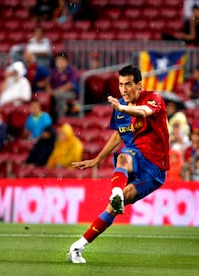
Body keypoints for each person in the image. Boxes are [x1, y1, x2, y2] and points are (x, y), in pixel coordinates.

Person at [67, 65, 170, 264]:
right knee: (124, 157)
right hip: (134, 156)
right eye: (121, 84)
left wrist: (122, 107)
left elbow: (143, 112)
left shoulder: (153, 98)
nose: (123, 89)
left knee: (115, 206)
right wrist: (97, 159)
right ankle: (78, 247)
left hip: (155, 168)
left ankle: (117, 196)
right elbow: (118, 135)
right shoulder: (120, 108)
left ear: (139, 85)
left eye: (128, 84)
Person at [49, 51, 80, 119]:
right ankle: (59, 118)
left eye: (62, 60)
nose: (60, 62)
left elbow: (70, 85)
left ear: (66, 61)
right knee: (59, 98)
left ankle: (61, 118)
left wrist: (56, 92)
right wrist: (50, 90)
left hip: (71, 93)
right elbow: (48, 82)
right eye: (58, 60)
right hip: (56, 93)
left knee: (59, 95)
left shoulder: (72, 70)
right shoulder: (53, 71)